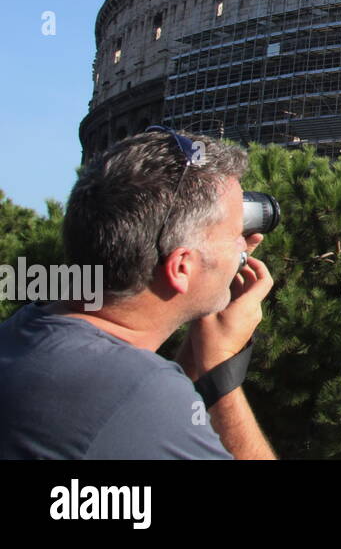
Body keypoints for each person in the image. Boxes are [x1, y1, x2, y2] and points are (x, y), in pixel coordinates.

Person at [0, 128, 276, 459]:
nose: (243, 246)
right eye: (235, 233)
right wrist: (220, 369)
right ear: (181, 268)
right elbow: (140, 407)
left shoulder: (26, 330)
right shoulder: (139, 394)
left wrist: (199, 340)